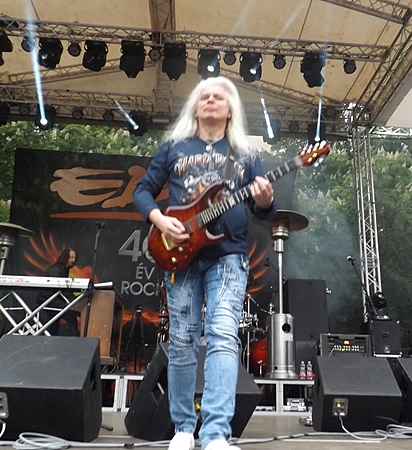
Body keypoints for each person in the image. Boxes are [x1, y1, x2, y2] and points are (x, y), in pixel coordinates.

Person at [133, 76, 276, 450]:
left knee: (223, 336)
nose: (210, 101)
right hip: (180, 255)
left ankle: (215, 433)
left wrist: (265, 200)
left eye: (218, 97)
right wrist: (160, 220)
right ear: (195, 108)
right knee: (182, 341)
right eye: (204, 97)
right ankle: (183, 428)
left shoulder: (245, 154)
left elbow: (264, 209)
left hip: (228, 255)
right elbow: (143, 190)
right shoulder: (175, 147)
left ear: (230, 110)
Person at [36, 247, 80, 336]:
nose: (73, 260)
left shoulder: (63, 269)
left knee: (54, 324)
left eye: (74, 258)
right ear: (65, 257)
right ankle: (75, 340)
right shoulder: (56, 269)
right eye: (71, 257)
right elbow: (61, 288)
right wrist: (73, 300)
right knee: (71, 316)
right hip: (48, 300)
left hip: (54, 300)